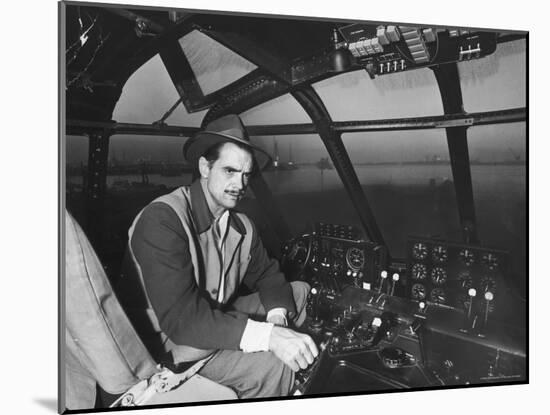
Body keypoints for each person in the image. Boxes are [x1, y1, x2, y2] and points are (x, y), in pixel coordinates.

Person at [120, 114, 318, 399]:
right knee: (272, 364)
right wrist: (270, 339)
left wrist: (276, 320)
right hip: (168, 342)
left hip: (214, 315)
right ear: (204, 166)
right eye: (229, 171)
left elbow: (267, 275)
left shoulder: (241, 225)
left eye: (246, 174)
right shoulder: (163, 219)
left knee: (299, 292)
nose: (240, 183)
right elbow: (183, 322)